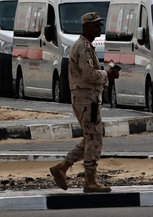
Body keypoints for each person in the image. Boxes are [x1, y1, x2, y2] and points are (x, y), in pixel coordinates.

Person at [49, 12, 120, 193]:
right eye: (96, 25)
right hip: (86, 99)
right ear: (86, 27)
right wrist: (107, 75)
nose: (99, 28)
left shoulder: (86, 46)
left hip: (88, 98)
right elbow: (89, 75)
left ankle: (63, 167)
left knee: (90, 137)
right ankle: (90, 180)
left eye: (99, 25)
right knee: (94, 138)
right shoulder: (83, 48)